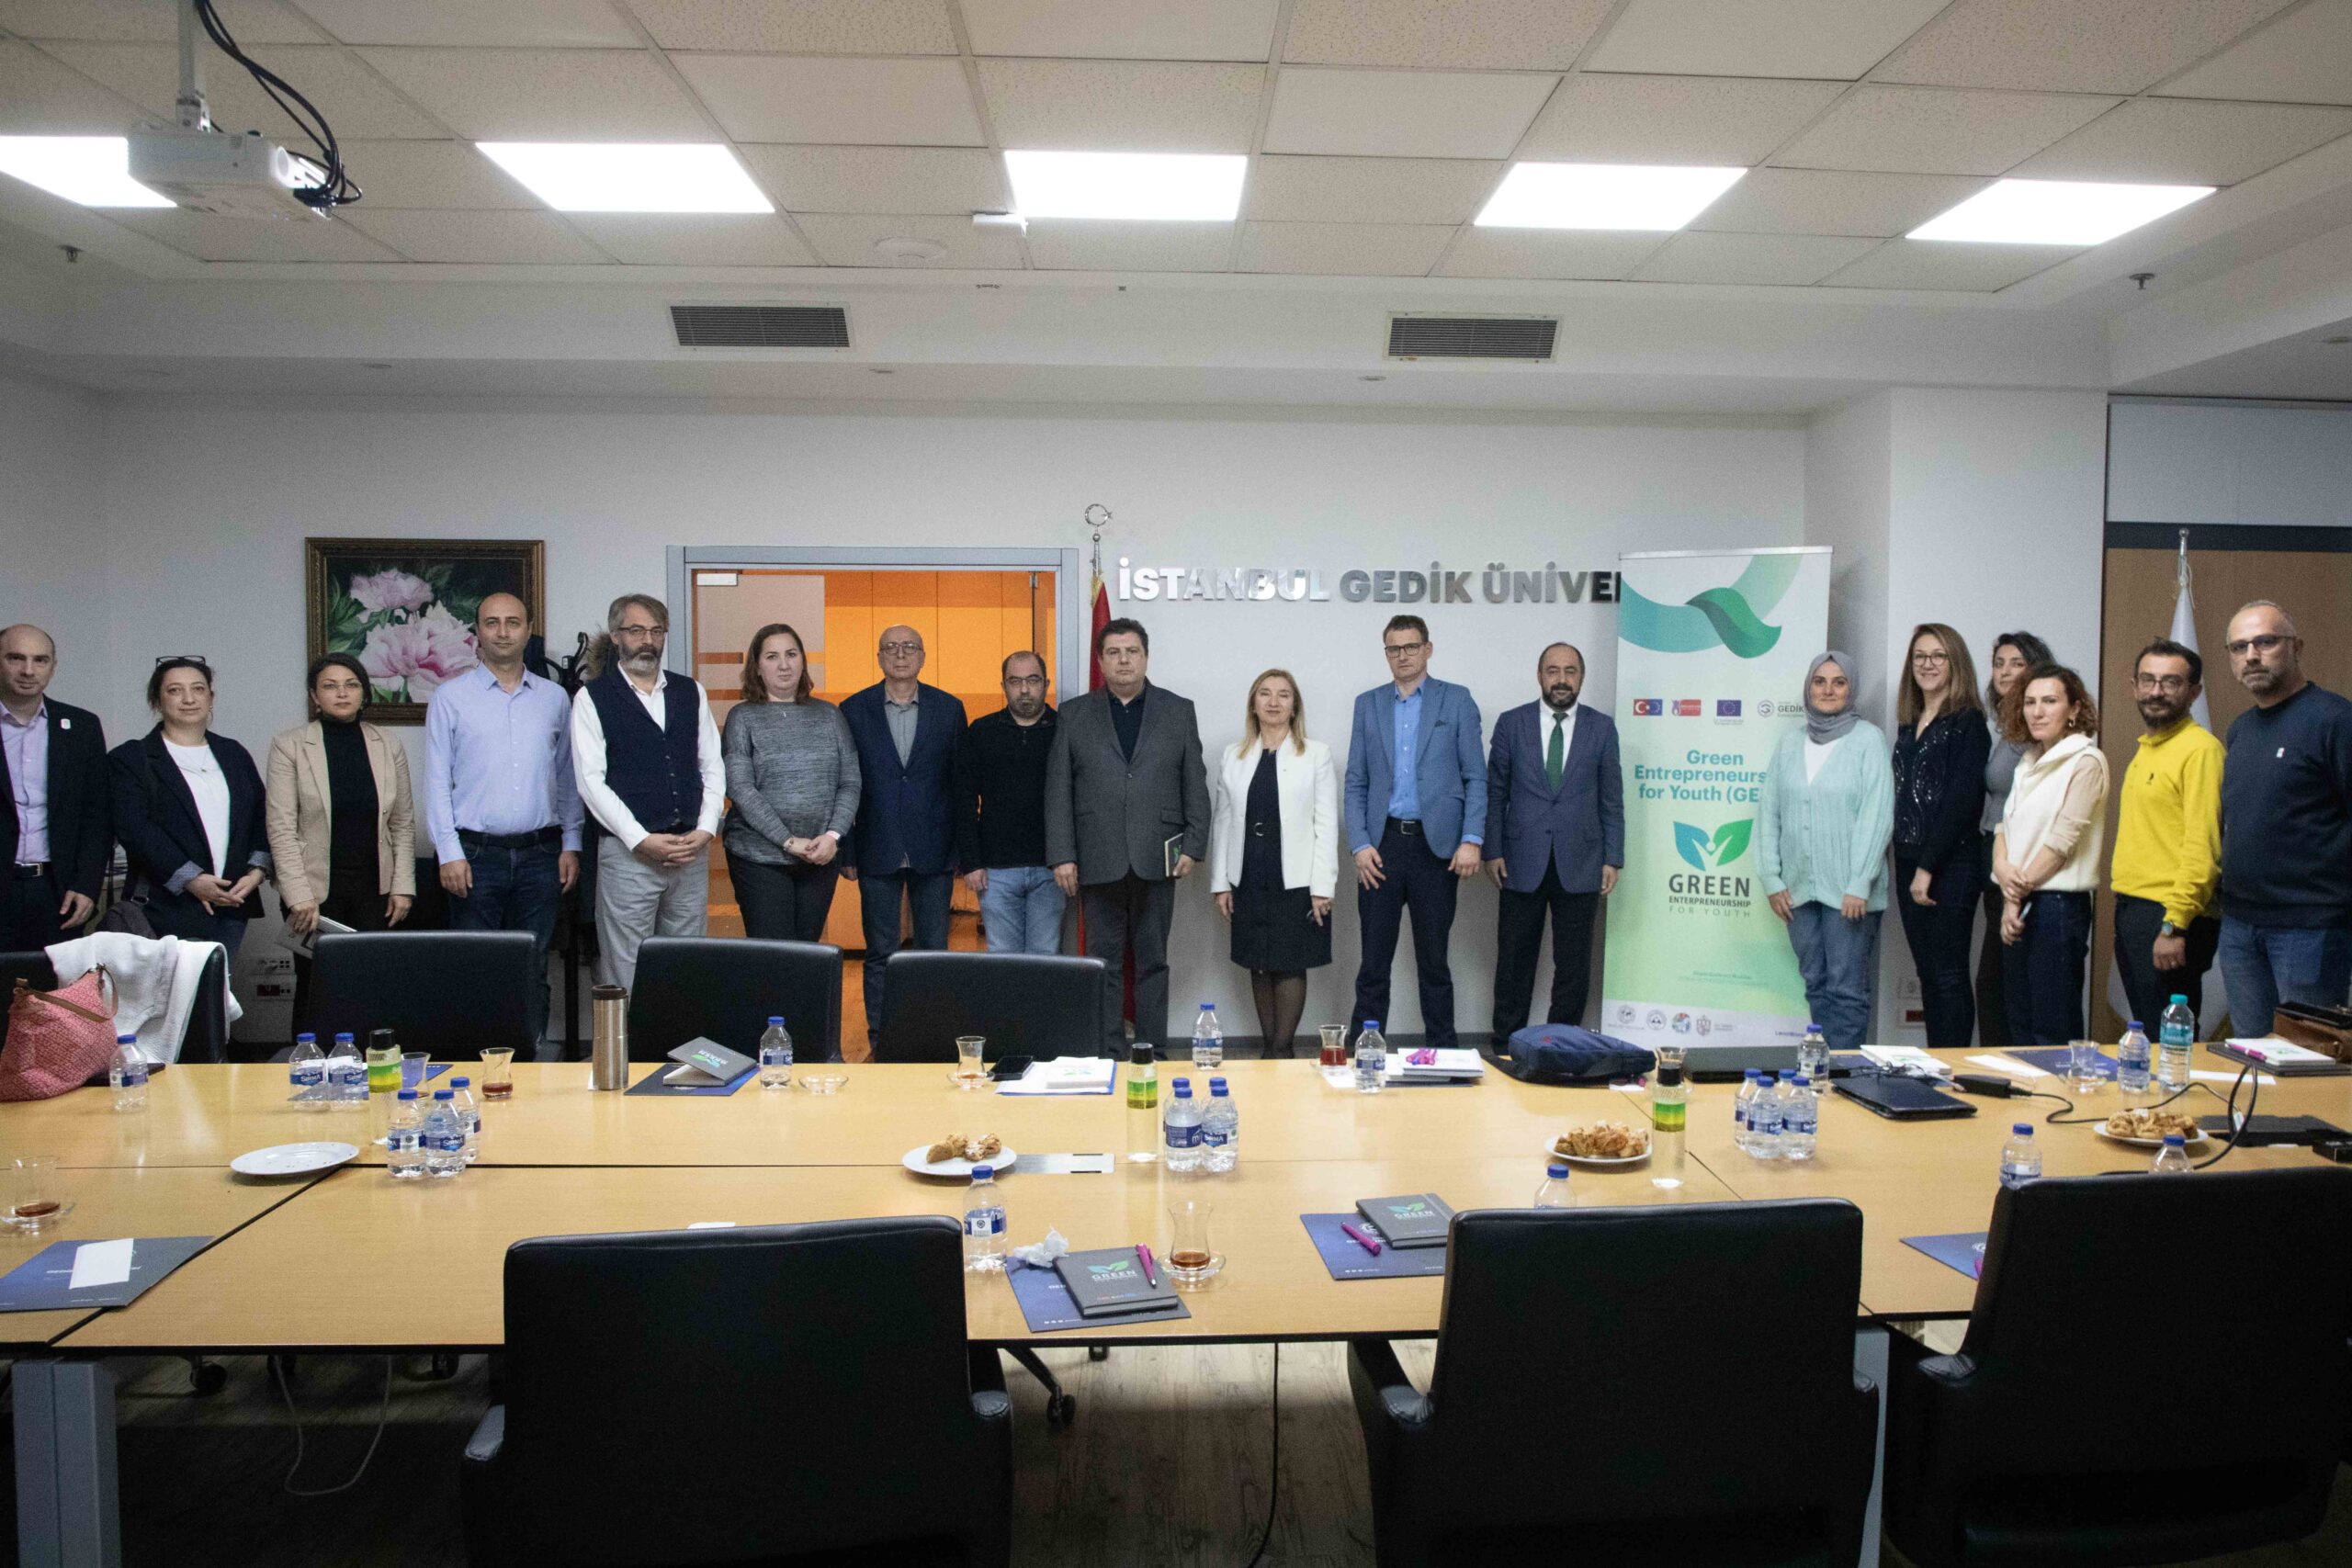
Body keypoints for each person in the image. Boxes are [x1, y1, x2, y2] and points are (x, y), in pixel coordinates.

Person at [424, 592, 582, 1053]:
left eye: (513, 622)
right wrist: (448, 853)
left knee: (533, 966)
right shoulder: (450, 699)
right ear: (477, 632)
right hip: (474, 857)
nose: (503, 631)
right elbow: (436, 782)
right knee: (475, 966)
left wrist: (571, 843)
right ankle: (476, 1067)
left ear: (528, 630)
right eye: (492, 622)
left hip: (541, 855)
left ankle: (529, 1065)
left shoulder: (554, 699)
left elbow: (568, 778)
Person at [1046, 618, 1210, 1055]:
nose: (1123, 660)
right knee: (1104, 964)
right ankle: (1110, 1051)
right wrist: (1062, 854)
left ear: (1146, 657)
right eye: (1114, 652)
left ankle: (1151, 1051)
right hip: (1096, 858)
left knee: (1153, 961)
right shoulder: (1074, 714)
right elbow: (1058, 789)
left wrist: (1194, 845)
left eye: (1132, 651)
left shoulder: (1178, 710)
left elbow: (1194, 781)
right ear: (1101, 661)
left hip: (1159, 857)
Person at [1343, 615, 1485, 1049]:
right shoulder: (1368, 704)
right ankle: (1364, 1052)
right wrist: (1359, 844)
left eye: (1410, 647)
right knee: (1373, 962)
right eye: (1393, 648)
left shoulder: (1456, 700)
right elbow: (1356, 781)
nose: (1402, 656)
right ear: (1386, 653)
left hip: (1436, 848)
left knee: (1434, 961)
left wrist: (1471, 839)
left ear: (1427, 649)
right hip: (1381, 847)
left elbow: (1476, 777)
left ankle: (1444, 1052)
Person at [571, 594, 723, 994]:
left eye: (656, 631)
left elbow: (712, 766)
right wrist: (640, 839)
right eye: (636, 630)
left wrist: (706, 829)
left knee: (686, 967)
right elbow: (590, 782)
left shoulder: (690, 692)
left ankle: (678, 1038)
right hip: (629, 857)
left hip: (689, 852)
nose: (648, 641)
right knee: (626, 970)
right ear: (616, 635)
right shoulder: (593, 697)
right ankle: (629, 1040)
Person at [2217, 601, 2352, 1034]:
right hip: (2239, 926)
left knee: (2306, 1057)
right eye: (2239, 647)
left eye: (2265, 642)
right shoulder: (2241, 729)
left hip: (2309, 929)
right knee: (2250, 1054)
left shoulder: (2335, 720)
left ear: (2296, 647)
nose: (2252, 656)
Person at [266, 653, 415, 1030]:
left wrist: (403, 887)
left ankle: (374, 1062)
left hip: (376, 891)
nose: (342, 693)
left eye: (351, 685)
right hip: (313, 893)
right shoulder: (290, 746)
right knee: (317, 986)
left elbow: (402, 823)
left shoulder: (387, 744)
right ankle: (311, 1061)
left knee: (373, 986)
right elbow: (281, 827)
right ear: (315, 696)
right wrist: (297, 895)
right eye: (330, 686)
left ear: (364, 693)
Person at [1484, 642, 1623, 1043]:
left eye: (1570, 671)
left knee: (1573, 967)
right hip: (1519, 860)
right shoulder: (1512, 724)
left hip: (1582, 860)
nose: (1561, 679)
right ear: (1540, 675)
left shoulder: (1602, 727)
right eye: (1553, 671)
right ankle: (1507, 1047)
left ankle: (1560, 1047)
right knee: (1514, 962)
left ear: (1582, 677)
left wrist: (1613, 857)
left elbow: (1611, 798)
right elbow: (1495, 793)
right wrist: (1493, 849)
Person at [1759, 652, 1893, 1055]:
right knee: (1816, 983)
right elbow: (1769, 810)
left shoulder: (1868, 739)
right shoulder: (1790, 742)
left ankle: (1843, 1075)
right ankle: (1823, 1071)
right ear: (1809, 688)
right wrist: (1771, 876)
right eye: (1820, 681)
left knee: (1846, 989)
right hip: (1796, 890)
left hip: (1851, 893)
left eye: (1839, 682)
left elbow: (1877, 813)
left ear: (1851, 689)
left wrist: (1860, 882)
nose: (1828, 690)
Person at [839, 625, 967, 1042]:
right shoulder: (853, 710)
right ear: (878, 657)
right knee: (880, 950)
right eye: (891, 647)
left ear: (923, 656)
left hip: (935, 847)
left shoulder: (949, 709)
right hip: (876, 846)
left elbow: (960, 784)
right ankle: (882, 1035)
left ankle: (932, 1032)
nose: (900, 654)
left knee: (934, 950)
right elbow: (845, 783)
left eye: (909, 647)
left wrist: (962, 850)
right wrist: (847, 850)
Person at [1210, 669, 1338, 1055]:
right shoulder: (1234, 755)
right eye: (1264, 693)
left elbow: (1326, 823)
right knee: (1259, 962)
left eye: (1283, 695)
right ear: (1253, 704)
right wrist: (1220, 882)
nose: (1273, 702)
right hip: (1248, 874)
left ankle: (1282, 1050)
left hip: (1297, 879)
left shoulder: (1315, 754)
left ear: (1294, 705)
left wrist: (1323, 886)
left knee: (1289, 962)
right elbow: (1223, 820)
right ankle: (1270, 1052)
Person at [107, 658, 270, 961]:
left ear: (211, 697)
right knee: (170, 991)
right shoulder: (132, 758)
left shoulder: (233, 753)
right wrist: (191, 880)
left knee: (218, 987)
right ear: (156, 701)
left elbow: (261, 815)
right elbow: (135, 829)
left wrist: (257, 871)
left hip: (232, 903)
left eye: (198, 689)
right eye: (175, 690)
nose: (188, 699)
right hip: (165, 906)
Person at [720, 622, 859, 947]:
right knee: (775, 956)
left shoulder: (830, 715)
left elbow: (850, 782)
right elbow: (740, 788)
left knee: (807, 952)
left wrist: (833, 836)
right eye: (772, 656)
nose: (784, 664)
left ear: (802, 661)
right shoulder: (743, 717)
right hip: (759, 858)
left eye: (791, 654)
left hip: (820, 856)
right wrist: (787, 841)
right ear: (757, 667)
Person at [2111, 638, 2224, 1031]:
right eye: (2148, 680)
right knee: (2149, 1029)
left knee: (2170, 1038)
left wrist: (2174, 925)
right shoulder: (2148, 749)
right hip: (2135, 908)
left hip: (2171, 915)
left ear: (2194, 692)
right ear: (2134, 686)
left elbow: (2203, 848)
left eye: (2170, 682)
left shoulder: (2201, 750)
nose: (2156, 691)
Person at [1993, 664, 2108, 1045]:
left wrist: (2014, 895)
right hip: (2021, 901)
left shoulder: (2086, 760)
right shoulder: (2028, 762)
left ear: (2074, 709)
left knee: (2051, 1031)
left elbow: (2061, 841)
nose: (2037, 712)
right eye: (2030, 702)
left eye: (2049, 701)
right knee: (2020, 1026)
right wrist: (2003, 874)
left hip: (2058, 907)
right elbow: (2004, 828)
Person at [1890, 624, 1989, 1047]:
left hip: (1951, 865)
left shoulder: (1968, 723)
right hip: (1908, 860)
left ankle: (1953, 1066)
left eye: (1937, 656)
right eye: (1919, 656)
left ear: (1955, 663)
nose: (1927, 664)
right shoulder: (1910, 723)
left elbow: (1961, 803)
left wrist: (1927, 867)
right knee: (1928, 973)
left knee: (1948, 974)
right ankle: (1936, 1063)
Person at [1, 624, 108, 951]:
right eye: (15, 658)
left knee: (55, 983)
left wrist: (87, 884)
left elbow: (97, 815)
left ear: (53, 666)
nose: (28, 670)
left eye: (40, 660)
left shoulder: (82, 727)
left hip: (56, 893)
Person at [956, 651, 1063, 954]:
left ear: (1046, 684)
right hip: (995, 870)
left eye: (1033, 680)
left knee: (1046, 958)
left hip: (1051, 868)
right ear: (1003, 685)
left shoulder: (1063, 730)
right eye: (1015, 681)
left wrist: (1069, 859)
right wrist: (971, 862)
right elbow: (964, 800)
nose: (1025, 689)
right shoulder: (981, 731)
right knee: (1003, 961)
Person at [1973, 630, 2051, 1048]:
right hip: (1996, 857)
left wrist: (2011, 878)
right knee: (1996, 984)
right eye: (1999, 664)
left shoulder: (2038, 733)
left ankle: (2013, 1070)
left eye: (2016, 664)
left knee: (2006, 986)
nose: (2004, 672)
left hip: (2023, 865)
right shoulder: (2008, 728)